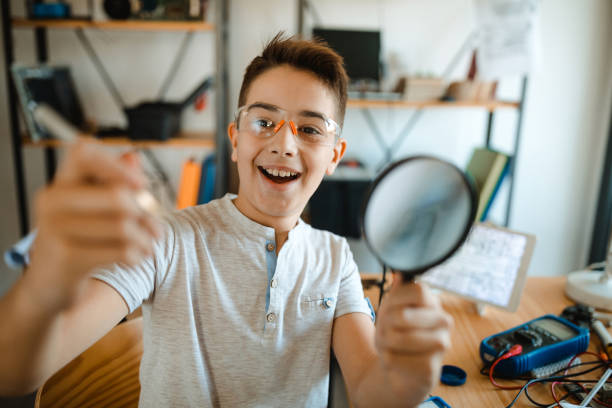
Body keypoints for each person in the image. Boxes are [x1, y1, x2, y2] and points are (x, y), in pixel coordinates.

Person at [0, 33, 452, 407]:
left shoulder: (337, 260)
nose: (285, 145)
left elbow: (374, 390)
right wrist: (46, 287)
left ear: (335, 156)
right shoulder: (167, 241)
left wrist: (407, 378)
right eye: (264, 122)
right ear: (236, 140)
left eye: (310, 128)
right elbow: (13, 372)